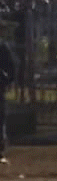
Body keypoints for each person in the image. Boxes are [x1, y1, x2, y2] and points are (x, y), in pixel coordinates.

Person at [0, 22, 19, 164]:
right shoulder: (3, 46)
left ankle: (0, 149)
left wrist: (8, 80)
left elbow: (12, 67)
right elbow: (12, 67)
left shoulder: (2, 46)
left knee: (1, 118)